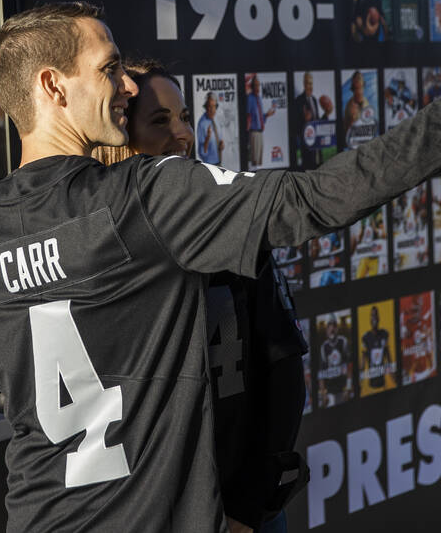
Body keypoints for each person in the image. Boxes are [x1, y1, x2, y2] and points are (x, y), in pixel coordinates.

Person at [0, 2, 441, 532]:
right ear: (52, 86)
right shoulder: (144, 198)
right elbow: (315, 199)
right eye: (110, 68)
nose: (126, 86)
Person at [96, 61, 307, 533]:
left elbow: (283, 367)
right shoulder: (94, 246)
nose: (183, 134)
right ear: (117, 138)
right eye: (159, 121)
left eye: (184, 116)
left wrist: (248, 508)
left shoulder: (229, 227)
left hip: (236, 510)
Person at [244, 74, 277, 169]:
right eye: (255, 85)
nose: (258, 87)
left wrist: (267, 115)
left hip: (260, 132)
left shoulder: (258, 98)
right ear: (252, 86)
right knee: (254, 161)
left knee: (259, 162)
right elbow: (247, 115)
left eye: (258, 85)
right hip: (253, 133)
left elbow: (259, 117)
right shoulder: (250, 98)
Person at [360, 305, 395, 390]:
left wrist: (393, 376)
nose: (374, 318)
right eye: (372, 315)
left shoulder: (384, 334)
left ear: (379, 318)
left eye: (375, 315)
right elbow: (363, 362)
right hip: (371, 384)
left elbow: (388, 357)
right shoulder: (365, 337)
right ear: (369, 318)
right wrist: (360, 381)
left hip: (383, 382)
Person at [197, 91, 223, 164]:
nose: (212, 110)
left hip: (219, 162)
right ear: (206, 107)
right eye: (210, 106)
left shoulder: (216, 119)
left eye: (214, 106)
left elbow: (219, 139)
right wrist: (208, 138)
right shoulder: (202, 124)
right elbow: (202, 152)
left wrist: (221, 145)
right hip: (209, 165)